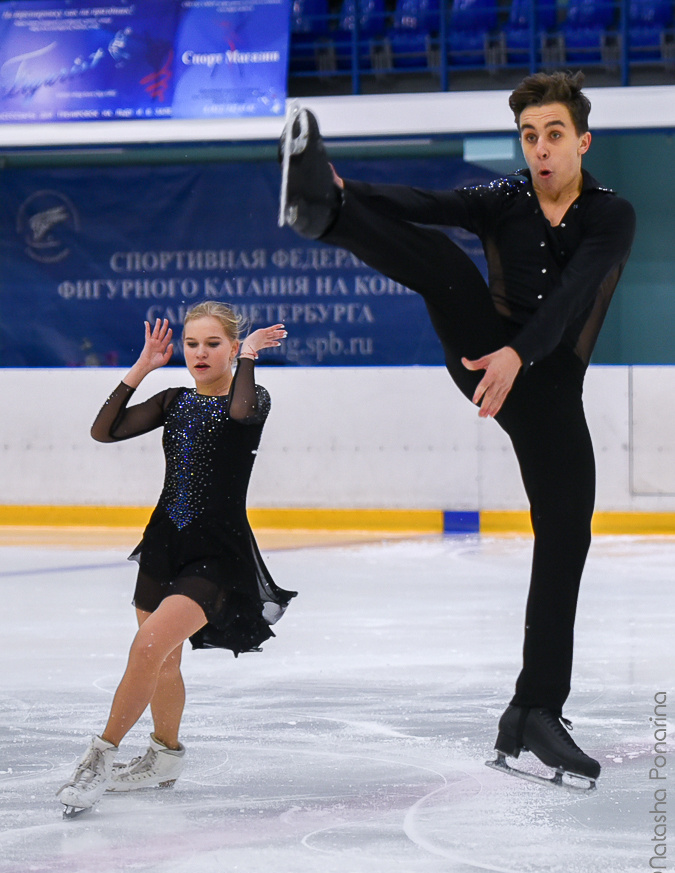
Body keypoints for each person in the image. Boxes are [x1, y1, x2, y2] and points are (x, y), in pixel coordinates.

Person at [279, 71, 635, 785]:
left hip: (547, 383)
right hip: (484, 357)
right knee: (441, 261)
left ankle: (531, 712)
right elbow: (426, 204)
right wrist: (346, 194)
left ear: (581, 141)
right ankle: (321, 213)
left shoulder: (609, 215)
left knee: (566, 538)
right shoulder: (503, 198)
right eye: (528, 135)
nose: (538, 148)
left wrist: (521, 353)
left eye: (553, 134)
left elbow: (570, 300)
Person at [58, 302, 296, 815]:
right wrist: (142, 368)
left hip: (218, 552)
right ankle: (165, 755)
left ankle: (98, 758)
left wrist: (250, 357)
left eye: (214, 344)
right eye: (192, 345)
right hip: (165, 542)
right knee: (163, 659)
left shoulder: (253, 397)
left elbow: (238, 413)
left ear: (233, 347)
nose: (200, 354)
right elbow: (105, 431)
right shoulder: (172, 400)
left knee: (147, 646)